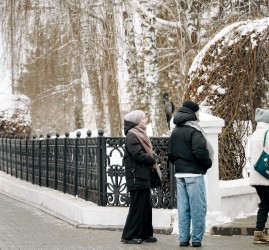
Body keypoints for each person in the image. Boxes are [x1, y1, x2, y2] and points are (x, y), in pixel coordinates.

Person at [168, 100, 213, 248]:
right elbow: (200, 152)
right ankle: (196, 239)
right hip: (194, 174)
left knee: (183, 208)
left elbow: (171, 155)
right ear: (193, 113)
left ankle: (183, 239)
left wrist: (181, 165)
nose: (198, 115)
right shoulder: (194, 130)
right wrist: (207, 164)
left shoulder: (175, 131)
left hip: (180, 174)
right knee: (198, 208)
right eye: (197, 112)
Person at [121, 110, 158, 244]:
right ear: (136, 121)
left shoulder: (140, 134)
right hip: (136, 176)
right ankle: (129, 235)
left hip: (142, 175)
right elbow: (137, 155)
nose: (145, 119)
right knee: (137, 207)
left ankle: (145, 233)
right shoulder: (132, 135)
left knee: (145, 207)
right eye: (143, 118)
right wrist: (152, 160)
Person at [247, 108, 269, 244]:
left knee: (265, 204)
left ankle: (258, 233)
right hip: (266, 176)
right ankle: (259, 233)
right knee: (266, 204)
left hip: (256, 176)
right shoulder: (267, 133)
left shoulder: (255, 134)